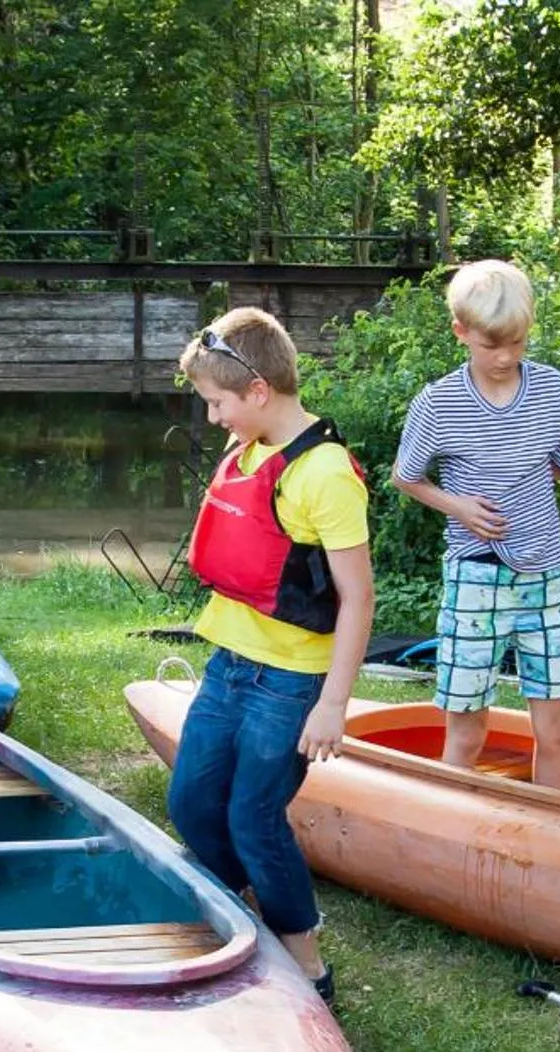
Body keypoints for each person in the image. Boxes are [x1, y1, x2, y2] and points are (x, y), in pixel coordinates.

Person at [166, 308, 375, 1005]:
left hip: (290, 681)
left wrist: (333, 704)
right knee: (192, 802)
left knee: (254, 818)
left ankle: (306, 963)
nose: (214, 418)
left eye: (218, 403)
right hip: (231, 664)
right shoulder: (249, 447)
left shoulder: (326, 474)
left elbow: (358, 597)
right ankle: (239, 917)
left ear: (258, 390)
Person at [390, 258, 560, 791]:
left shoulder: (550, 389)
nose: (505, 356)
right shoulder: (439, 403)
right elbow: (406, 476)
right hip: (476, 574)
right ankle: (448, 825)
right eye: (491, 344)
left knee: (557, 729)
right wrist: (458, 506)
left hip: (544, 574)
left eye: (516, 343)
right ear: (461, 331)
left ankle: (553, 827)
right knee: (468, 731)